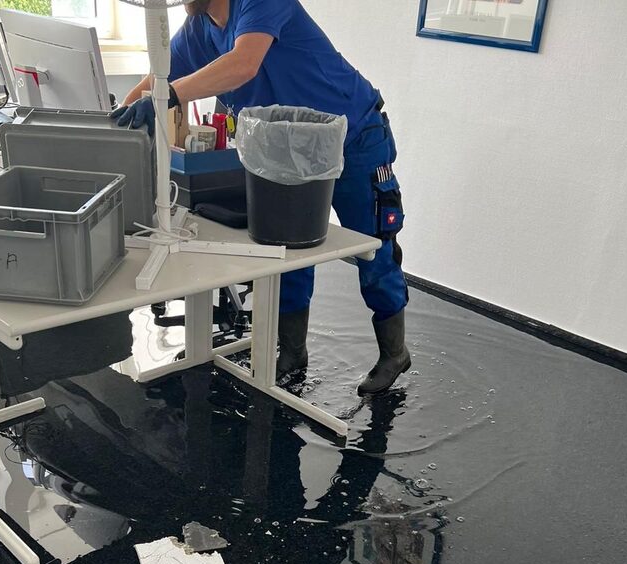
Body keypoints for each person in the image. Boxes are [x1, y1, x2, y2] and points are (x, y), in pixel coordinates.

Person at [112, 0, 411, 394]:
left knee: (374, 246)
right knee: (285, 249)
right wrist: (115, 120)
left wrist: (166, 97)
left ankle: (394, 353)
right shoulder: (200, 27)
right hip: (285, 151)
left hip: (352, 137)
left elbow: (242, 64)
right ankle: (292, 351)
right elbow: (157, 79)